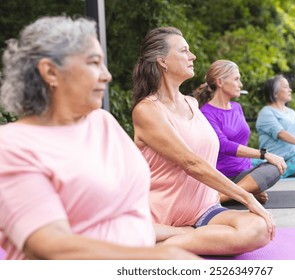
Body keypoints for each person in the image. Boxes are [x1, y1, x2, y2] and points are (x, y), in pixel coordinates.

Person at [0, 16, 199, 260]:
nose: (107, 75)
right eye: (94, 63)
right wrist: (161, 259)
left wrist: (171, 239)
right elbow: (50, 245)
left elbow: (132, 211)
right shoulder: (12, 145)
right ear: (50, 72)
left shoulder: (103, 123)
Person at [131, 27, 276, 256]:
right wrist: (247, 197)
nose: (193, 56)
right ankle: (172, 236)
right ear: (162, 61)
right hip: (159, 216)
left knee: (259, 229)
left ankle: (172, 242)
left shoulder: (192, 104)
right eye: (184, 51)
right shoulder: (147, 110)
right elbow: (191, 163)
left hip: (204, 211)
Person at [194, 60, 286, 205]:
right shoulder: (206, 113)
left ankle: (237, 193)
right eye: (236, 79)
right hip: (222, 177)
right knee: (270, 161)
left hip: (244, 174)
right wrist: (264, 153)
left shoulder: (237, 107)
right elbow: (223, 145)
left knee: (275, 167)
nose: (240, 84)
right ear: (220, 82)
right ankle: (231, 196)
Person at [255, 75, 295, 178]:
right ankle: (284, 170)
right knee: (250, 162)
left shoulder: (291, 112)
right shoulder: (266, 112)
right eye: (285, 87)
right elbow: (280, 133)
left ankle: (281, 171)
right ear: (275, 93)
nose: (290, 90)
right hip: (273, 158)